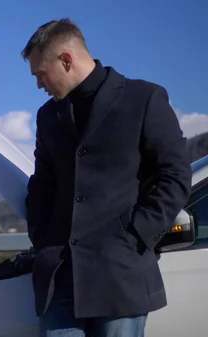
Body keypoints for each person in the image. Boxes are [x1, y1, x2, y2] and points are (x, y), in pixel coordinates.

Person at [22, 18, 192, 337]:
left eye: (40, 74)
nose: (39, 85)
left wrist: (138, 233)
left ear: (66, 60)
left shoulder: (144, 98)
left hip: (120, 273)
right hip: (60, 275)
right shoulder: (47, 116)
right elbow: (41, 187)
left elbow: (175, 174)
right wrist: (42, 237)